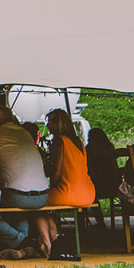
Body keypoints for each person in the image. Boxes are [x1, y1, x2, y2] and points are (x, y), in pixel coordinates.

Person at [0, 104, 48, 259]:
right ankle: (22, 249)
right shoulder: (24, 133)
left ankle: (24, 242)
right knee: (19, 212)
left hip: (19, 196)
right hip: (43, 196)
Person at [39, 108, 95, 256]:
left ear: (58, 124)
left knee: (35, 203)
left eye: (50, 122)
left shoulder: (59, 141)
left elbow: (56, 171)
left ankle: (48, 243)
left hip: (69, 192)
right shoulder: (79, 141)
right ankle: (54, 239)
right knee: (46, 205)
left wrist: (52, 187)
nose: (48, 125)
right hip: (88, 193)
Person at [86, 127, 121, 228]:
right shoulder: (109, 148)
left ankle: (99, 221)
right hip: (114, 186)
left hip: (97, 188)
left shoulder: (89, 150)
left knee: (89, 194)